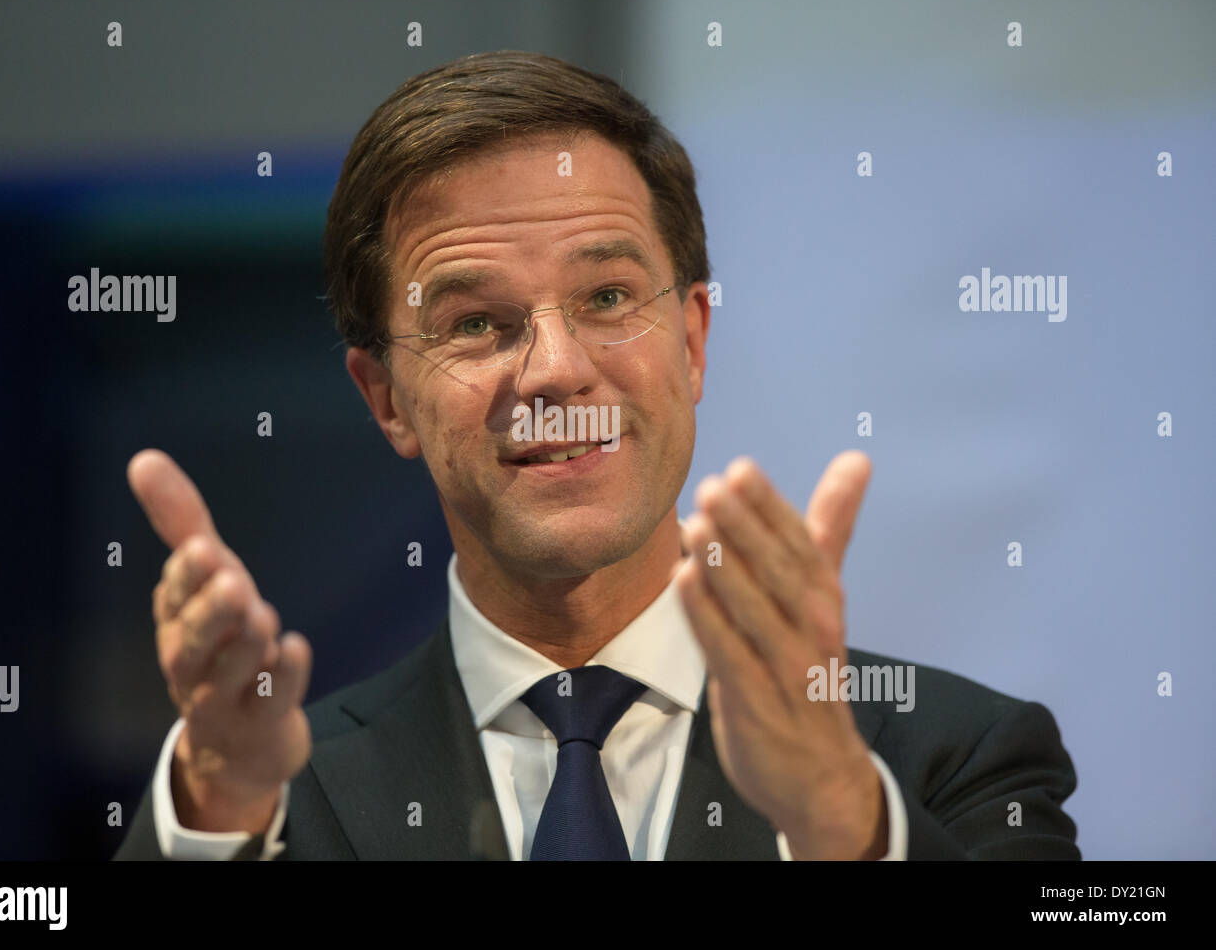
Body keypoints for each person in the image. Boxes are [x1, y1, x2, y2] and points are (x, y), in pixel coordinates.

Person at [114, 50, 1079, 861]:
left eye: (608, 298)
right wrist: (217, 815)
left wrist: (837, 816)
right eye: (476, 321)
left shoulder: (950, 758)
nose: (556, 372)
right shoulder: (275, 797)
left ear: (693, 340)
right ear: (386, 399)